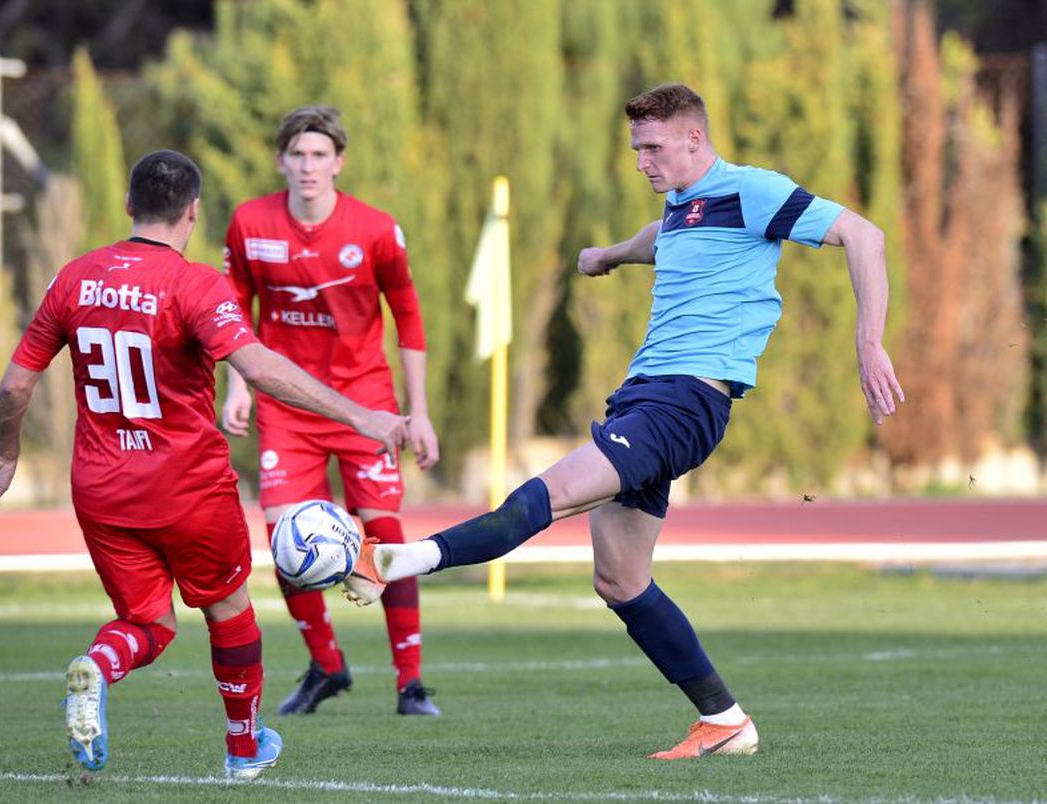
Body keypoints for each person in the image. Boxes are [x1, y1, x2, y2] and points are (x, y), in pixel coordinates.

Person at [345, 84, 905, 758]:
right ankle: (725, 721)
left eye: (652, 147)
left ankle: (398, 561)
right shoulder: (680, 206)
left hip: (685, 403)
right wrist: (609, 254)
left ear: (695, 139)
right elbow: (661, 237)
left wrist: (868, 343)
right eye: (636, 147)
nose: (641, 160)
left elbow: (862, 236)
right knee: (619, 579)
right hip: (646, 397)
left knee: (547, 495)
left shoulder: (752, 191)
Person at [0, 149, 410, 780]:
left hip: (102, 489)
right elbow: (260, 368)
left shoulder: (74, 277)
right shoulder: (194, 284)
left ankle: (99, 667)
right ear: (193, 211)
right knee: (228, 611)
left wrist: (5, 452)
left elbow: (15, 385)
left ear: (130, 205)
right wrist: (362, 416)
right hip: (186, 487)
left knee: (148, 623)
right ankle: (245, 749)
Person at [221, 106, 441, 717]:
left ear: (339, 162)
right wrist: (237, 386)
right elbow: (232, 311)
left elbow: (410, 318)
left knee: (386, 534)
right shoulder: (250, 223)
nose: (309, 166)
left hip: (366, 402)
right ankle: (327, 664)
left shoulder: (374, 230)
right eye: (298, 155)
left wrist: (417, 411)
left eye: (320, 155)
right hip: (286, 406)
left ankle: (411, 683)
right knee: (285, 541)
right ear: (281, 161)